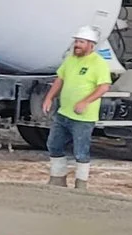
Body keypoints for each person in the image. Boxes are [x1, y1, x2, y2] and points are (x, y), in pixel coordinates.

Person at [39, 25, 112, 190]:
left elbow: (104, 87)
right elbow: (60, 79)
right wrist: (49, 98)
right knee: (54, 145)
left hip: (83, 117)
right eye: (76, 41)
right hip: (64, 113)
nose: (77, 45)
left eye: (81, 42)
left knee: (80, 151)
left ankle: (81, 185)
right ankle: (57, 179)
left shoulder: (98, 63)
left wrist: (85, 102)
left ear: (90, 45)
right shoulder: (71, 59)